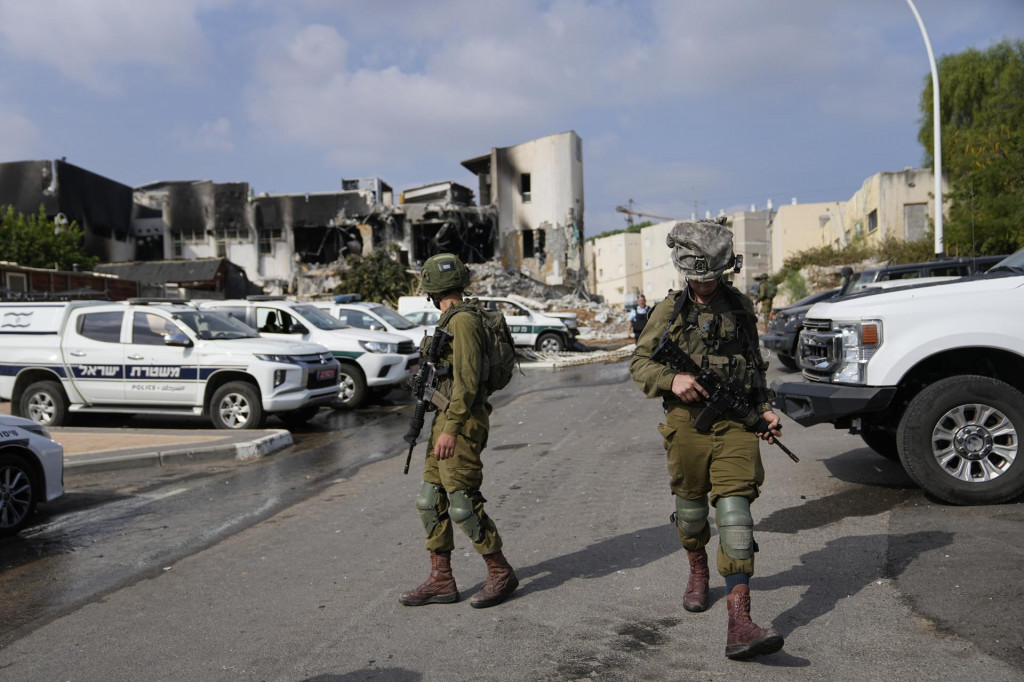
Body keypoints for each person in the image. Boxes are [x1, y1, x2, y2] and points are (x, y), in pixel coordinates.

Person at [629, 217, 785, 661]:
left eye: (711, 276)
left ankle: (740, 620)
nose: (704, 284)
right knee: (692, 512)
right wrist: (672, 378)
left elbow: (754, 364)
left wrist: (765, 407)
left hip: (736, 423)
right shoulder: (670, 310)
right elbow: (639, 364)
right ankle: (697, 568)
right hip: (686, 425)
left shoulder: (740, 306)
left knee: (735, 515)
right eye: (697, 276)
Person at [399, 253, 519, 609]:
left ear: (431, 291)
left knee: (463, 504)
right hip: (445, 420)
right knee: (428, 501)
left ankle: (500, 571)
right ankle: (441, 579)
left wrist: (451, 428)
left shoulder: (464, 322)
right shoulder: (450, 319)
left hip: (462, 423)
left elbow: (466, 384)